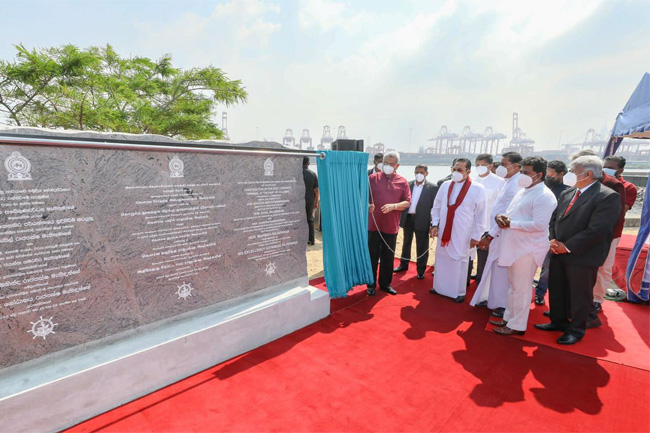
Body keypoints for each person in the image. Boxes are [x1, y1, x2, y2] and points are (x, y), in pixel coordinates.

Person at [535, 155, 621, 345]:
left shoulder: (607, 196)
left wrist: (568, 246)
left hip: (583, 256)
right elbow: (554, 219)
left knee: (579, 295)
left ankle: (576, 330)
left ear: (588, 173)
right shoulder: (568, 193)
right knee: (557, 289)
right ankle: (557, 321)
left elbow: (598, 230)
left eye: (573, 171)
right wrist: (553, 240)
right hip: (558, 251)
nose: (570, 175)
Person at [489, 157, 557, 336]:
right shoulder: (524, 191)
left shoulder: (544, 196)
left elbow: (539, 225)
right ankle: (509, 318)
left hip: (527, 249)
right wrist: (501, 218)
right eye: (522, 172)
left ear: (539, 174)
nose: (522, 176)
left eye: (527, 173)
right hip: (514, 246)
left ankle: (517, 325)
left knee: (522, 289)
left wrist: (511, 224)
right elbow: (512, 213)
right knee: (513, 287)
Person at [571, 150, 626, 314]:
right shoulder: (578, 182)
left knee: (603, 267)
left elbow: (616, 214)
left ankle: (596, 299)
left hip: (607, 234)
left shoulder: (613, 184)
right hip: (582, 232)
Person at [471, 152, 523, 316]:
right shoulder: (508, 182)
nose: (500, 167)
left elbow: (508, 214)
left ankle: (502, 305)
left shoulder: (516, 185)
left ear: (515, 166)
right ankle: (492, 299)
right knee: (494, 268)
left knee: (503, 271)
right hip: (496, 231)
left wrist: (490, 235)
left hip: (503, 234)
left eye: (504, 163)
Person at [430, 158, 487, 303]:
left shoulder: (478, 188)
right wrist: (435, 224)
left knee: (459, 260)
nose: (456, 172)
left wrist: (477, 236)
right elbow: (436, 206)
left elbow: (481, 215)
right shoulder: (445, 185)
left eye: (460, 170)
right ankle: (439, 287)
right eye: (454, 169)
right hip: (444, 231)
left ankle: (457, 292)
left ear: (468, 172)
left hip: (464, 233)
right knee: (442, 258)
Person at [367, 151, 411, 296]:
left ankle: (385, 283)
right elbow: (362, 197)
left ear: (397, 165)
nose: (387, 166)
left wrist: (394, 206)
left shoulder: (403, 181)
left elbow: (407, 202)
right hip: (373, 225)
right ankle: (371, 284)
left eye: (391, 163)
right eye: (385, 163)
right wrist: (367, 206)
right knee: (372, 255)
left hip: (391, 226)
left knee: (388, 256)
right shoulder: (371, 178)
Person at [394, 164, 438, 279]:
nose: (419, 174)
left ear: (426, 173)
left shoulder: (432, 188)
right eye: (417, 172)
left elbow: (435, 207)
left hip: (422, 220)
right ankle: (403, 265)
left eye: (422, 172)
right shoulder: (408, 184)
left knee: (422, 245)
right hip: (408, 218)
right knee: (406, 242)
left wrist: (433, 224)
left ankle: (420, 270)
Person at [534, 160, 569, 305]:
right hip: (534, 231)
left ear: (561, 174)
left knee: (547, 267)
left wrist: (554, 236)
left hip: (551, 234)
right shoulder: (539, 188)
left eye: (551, 174)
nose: (548, 177)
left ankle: (540, 293)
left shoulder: (566, 192)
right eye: (546, 173)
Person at [473, 154, 505, 283]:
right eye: (478, 165)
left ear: (491, 166)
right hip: (471, 223)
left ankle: (482, 278)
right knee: (468, 254)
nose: (480, 168)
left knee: (484, 254)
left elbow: (502, 205)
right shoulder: (472, 180)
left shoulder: (499, 182)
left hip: (488, 225)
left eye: (483, 165)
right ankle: (470, 276)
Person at [303, 157, 319, 246]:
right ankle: (311, 240)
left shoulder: (297, 173)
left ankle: (300, 239)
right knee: (310, 219)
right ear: (308, 163)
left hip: (299, 200)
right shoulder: (313, 174)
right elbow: (316, 190)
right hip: (310, 200)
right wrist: (316, 201)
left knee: (299, 220)